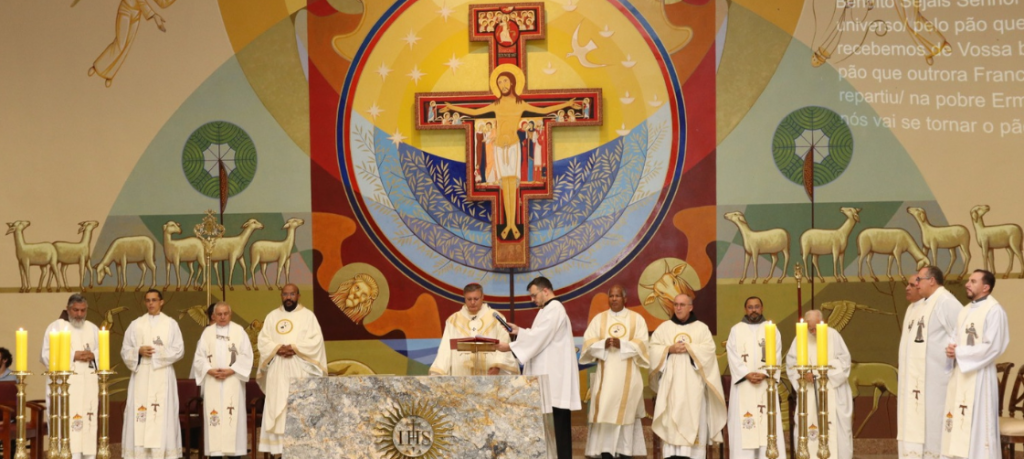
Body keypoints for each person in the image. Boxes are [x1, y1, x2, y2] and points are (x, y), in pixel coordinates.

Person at [442, 67, 580, 240]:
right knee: (503, 186)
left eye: (505, 81)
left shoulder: (520, 104)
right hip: (499, 147)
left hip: (513, 147)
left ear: (513, 82)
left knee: (512, 185)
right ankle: (508, 223)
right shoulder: (496, 105)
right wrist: (452, 107)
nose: (502, 85)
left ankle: (513, 223)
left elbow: (544, 111)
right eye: (499, 82)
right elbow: (475, 112)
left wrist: (566, 105)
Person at [496, 276, 580, 459]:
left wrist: (510, 346)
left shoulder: (555, 309)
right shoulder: (546, 310)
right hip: (548, 377)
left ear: (545, 291)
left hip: (554, 378)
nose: (532, 299)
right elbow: (538, 335)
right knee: (550, 429)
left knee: (559, 428)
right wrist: (519, 331)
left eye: (534, 295)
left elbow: (539, 337)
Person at [649, 293, 727, 459]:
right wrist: (669, 349)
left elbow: (709, 351)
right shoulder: (665, 328)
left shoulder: (701, 328)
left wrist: (690, 349)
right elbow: (653, 349)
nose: (678, 308)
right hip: (671, 388)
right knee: (671, 424)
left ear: (690, 307)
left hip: (694, 388)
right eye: (676, 304)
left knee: (693, 421)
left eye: (682, 305)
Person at [941, 269, 1009, 459]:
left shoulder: (994, 310)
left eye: (973, 281)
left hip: (979, 377)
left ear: (986, 287)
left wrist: (960, 352)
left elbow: (994, 346)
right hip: (961, 374)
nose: (967, 284)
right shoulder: (966, 310)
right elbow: (954, 337)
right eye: (968, 280)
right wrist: (950, 350)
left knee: (978, 425)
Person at [897, 265, 962, 458]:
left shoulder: (946, 302)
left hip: (936, 381)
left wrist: (957, 352)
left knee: (934, 423)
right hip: (917, 381)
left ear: (931, 280)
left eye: (919, 280)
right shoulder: (921, 305)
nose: (916, 285)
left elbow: (962, 331)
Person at [579, 285, 649, 459]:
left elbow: (643, 344)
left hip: (629, 378)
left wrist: (622, 345)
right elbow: (588, 343)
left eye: (618, 296)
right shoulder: (599, 319)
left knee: (625, 416)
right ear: (608, 298)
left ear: (625, 299)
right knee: (605, 413)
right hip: (606, 378)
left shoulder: (636, 319)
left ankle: (625, 453)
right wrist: (603, 344)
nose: (614, 299)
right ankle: (606, 453)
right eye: (611, 296)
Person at [257, 284, 327, 455]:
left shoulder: (308, 316)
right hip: (278, 369)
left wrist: (295, 348)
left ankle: (299, 450)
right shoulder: (272, 316)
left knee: (297, 410)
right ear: (281, 296)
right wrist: (278, 349)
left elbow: (316, 341)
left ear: (298, 296)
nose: (288, 297)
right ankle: (278, 452)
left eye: (292, 294)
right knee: (277, 407)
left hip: (299, 369)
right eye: (285, 294)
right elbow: (263, 340)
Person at [121, 289, 184, 459]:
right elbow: (125, 350)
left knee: (162, 412)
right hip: (141, 373)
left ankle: (163, 454)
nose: (151, 303)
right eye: (148, 300)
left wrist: (157, 354)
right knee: (139, 413)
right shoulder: (136, 324)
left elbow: (179, 350)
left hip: (162, 373)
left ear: (161, 302)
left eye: (154, 300)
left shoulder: (171, 324)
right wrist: (138, 351)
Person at [784, 310, 852, 459]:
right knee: (807, 425)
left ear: (823, 322)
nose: (813, 332)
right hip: (808, 392)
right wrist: (803, 374)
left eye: (815, 328)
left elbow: (845, 362)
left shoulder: (833, 335)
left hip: (832, 390)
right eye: (810, 328)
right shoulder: (800, 338)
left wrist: (823, 372)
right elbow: (791, 363)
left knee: (836, 432)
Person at [725, 296, 786, 459]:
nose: (753, 310)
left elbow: (777, 353)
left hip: (765, 385)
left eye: (757, 306)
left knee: (767, 424)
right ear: (746, 310)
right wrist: (745, 374)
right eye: (750, 307)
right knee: (743, 429)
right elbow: (732, 356)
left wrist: (766, 373)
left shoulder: (771, 329)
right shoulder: (736, 330)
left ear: (762, 308)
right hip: (743, 385)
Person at [191, 302, 253, 459]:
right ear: (213, 316)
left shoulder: (239, 331)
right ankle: (215, 454)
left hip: (233, 380)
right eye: (219, 314)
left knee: (232, 416)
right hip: (212, 382)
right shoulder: (207, 333)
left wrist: (232, 370)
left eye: (226, 313)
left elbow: (247, 355)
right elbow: (199, 357)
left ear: (230, 314)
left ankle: (234, 455)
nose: (223, 316)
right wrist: (209, 370)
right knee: (215, 418)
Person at [429, 283, 518, 376]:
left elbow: (504, 343)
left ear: (482, 297)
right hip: (462, 375)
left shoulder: (496, 318)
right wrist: (437, 373)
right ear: (464, 298)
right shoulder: (453, 320)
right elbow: (445, 349)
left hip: (490, 374)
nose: (472, 302)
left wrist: (497, 366)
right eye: (469, 299)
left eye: (476, 299)